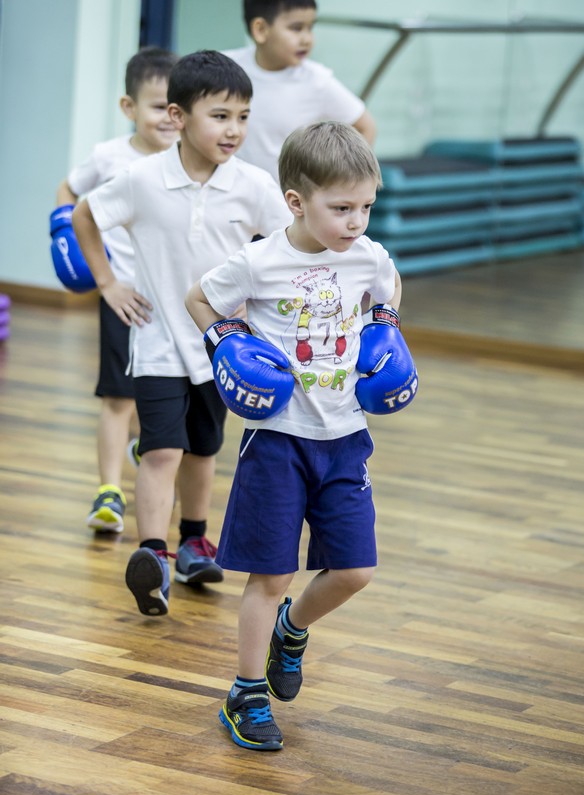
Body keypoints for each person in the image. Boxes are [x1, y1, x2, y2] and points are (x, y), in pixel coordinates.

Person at [185, 121, 406, 751]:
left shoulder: (369, 255)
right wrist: (224, 340)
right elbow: (199, 299)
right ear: (296, 202)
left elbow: (388, 286)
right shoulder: (260, 260)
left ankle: (293, 630)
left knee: (355, 570)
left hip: (345, 436)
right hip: (277, 439)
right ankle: (245, 693)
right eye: (342, 208)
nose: (357, 221)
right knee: (270, 574)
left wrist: (386, 326)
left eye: (366, 205)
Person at [72, 50, 292, 614]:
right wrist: (108, 283)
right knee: (161, 451)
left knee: (202, 450)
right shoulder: (142, 179)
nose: (234, 129)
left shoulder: (254, 186)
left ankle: (195, 540)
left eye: (243, 116)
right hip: (158, 344)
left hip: (221, 349)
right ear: (179, 115)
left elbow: (286, 248)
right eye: (220, 116)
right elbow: (84, 216)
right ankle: (153, 555)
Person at [53, 47, 179, 534]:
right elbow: (68, 188)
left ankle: (146, 452)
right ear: (129, 107)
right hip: (122, 297)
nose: (168, 119)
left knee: (160, 397)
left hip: (174, 302)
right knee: (117, 398)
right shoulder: (109, 157)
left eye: (176, 108)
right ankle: (108, 490)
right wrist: (63, 231)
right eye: (156, 106)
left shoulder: (188, 160)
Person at [224, 0, 377, 181]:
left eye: (310, 28)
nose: (307, 39)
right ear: (260, 30)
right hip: (233, 198)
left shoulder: (317, 80)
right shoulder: (226, 67)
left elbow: (366, 127)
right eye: (296, 28)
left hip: (286, 203)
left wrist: (333, 179)